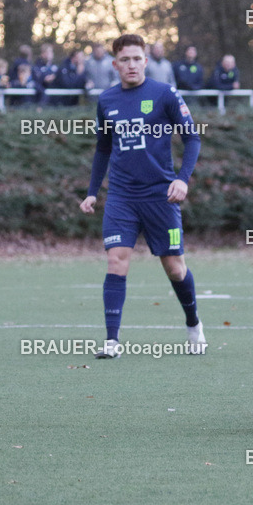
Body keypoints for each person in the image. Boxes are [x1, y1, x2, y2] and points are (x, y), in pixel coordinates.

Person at [79, 34, 205, 358]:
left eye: (137, 59)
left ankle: (193, 324)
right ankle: (111, 341)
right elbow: (103, 148)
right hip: (122, 196)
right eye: (125, 60)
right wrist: (93, 192)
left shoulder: (165, 94)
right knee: (116, 260)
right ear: (115, 65)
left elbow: (192, 139)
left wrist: (183, 180)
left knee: (175, 268)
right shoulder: (106, 100)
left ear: (146, 62)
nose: (131, 65)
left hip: (161, 196)